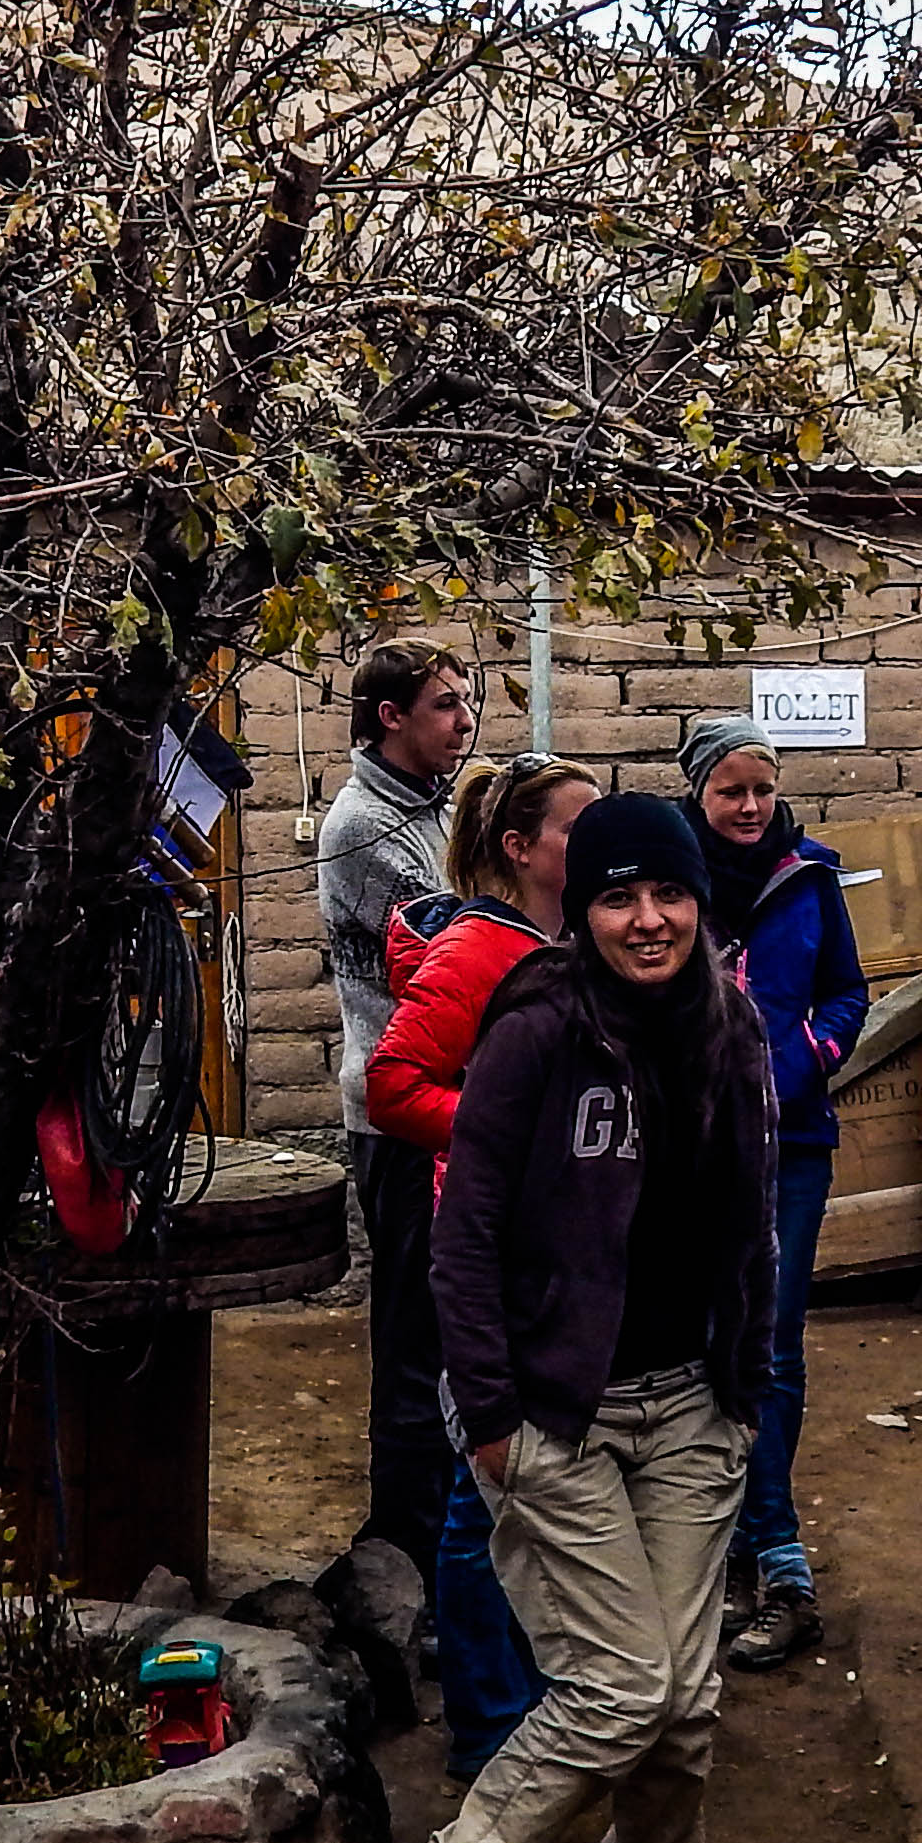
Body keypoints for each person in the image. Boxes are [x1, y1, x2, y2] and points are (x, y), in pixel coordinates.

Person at [334, 794, 776, 1843]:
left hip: (692, 1406)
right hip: (555, 1412)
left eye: (668, 893)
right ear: (580, 910)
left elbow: (751, 1218)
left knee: (686, 1702)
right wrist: (491, 1418)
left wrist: (746, 1384)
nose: (647, 920)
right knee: (621, 1689)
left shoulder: (730, 1027)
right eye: (617, 897)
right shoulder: (536, 1028)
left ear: (698, 901)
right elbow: (462, 1234)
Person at [367, 751, 601, 1782]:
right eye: (576, 829)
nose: (594, 845)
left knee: (529, 1484)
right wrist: (506, 1131)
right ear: (520, 847)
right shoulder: (476, 951)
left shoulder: (558, 942)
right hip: (488, 1246)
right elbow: (393, 1084)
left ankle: (525, 1696)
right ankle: (487, 1723)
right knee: (482, 1490)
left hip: (547, 1246)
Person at [677, 713, 869, 1671]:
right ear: (699, 793)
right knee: (698, 1339)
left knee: (775, 1342)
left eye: (763, 788)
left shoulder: (811, 877)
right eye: (731, 791)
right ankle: (713, 1549)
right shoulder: (669, 882)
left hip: (792, 1144)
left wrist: (799, 1061)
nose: (751, 806)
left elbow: (847, 992)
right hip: (689, 1149)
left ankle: (777, 1551)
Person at [318, 636, 477, 1580]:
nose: (464, 721)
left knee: (453, 1327)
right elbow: (458, 942)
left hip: (443, 1100)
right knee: (417, 1336)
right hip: (400, 1113)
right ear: (391, 717)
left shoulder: (430, 806)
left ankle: (443, 1539)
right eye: (445, 704)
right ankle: (406, 1552)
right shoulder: (364, 828)